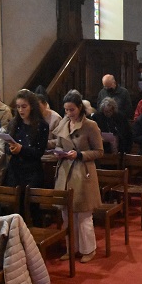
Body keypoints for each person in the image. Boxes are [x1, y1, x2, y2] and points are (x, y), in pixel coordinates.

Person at [53, 90, 103, 263]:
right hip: (65, 172)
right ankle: (71, 248)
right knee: (67, 214)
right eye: (66, 110)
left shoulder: (90, 125)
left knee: (83, 215)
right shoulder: (64, 123)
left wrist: (80, 154)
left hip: (83, 172)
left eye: (72, 109)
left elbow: (99, 151)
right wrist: (59, 152)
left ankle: (88, 249)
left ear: (80, 107)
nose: (69, 113)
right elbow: (58, 144)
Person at [3, 90, 49, 192]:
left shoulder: (42, 125)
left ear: (31, 106)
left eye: (24, 107)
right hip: (14, 171)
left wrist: (21, 149)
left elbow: (39, 152)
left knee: (28, 200)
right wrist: (11, 149)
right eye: (18, 107)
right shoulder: (14, 123)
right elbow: (6, 147)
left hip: (32, 172)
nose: (20, 110)